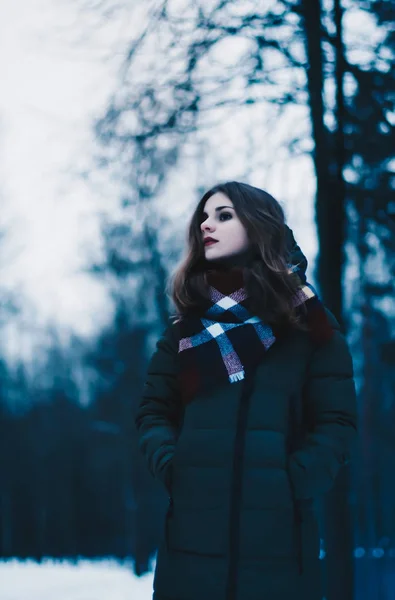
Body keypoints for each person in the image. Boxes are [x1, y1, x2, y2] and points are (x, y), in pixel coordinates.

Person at [135, 181, 358, 600]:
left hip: (280, 553)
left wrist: (291, 482)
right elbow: (153, 413)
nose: (206, 224)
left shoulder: (310, 325)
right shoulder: (185, 330)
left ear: (258, 226)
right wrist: (175, 467)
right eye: (204, 216)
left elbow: (337, 422)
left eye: (223, 215)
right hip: (189, 553)